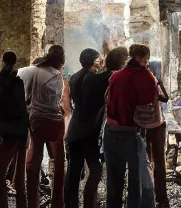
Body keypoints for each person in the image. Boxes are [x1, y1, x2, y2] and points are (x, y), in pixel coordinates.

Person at [104, 44, 158, 208]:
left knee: (114, 181)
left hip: (111, 132)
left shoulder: (116, 76)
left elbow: (106, 99)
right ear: (144, 58)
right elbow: (151, 103)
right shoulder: (147, 77)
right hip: (131, 133)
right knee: (136, 183)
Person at [19, 45, 68, 208]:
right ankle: (58, 202)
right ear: (61, 61)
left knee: (34, 161)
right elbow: (58, 103)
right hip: (55, 122)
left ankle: (32, 202)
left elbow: (23, 94)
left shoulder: (29, 71)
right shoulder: (58, 76)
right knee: (59, 162)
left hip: (36, 121)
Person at [65, 48, 111, 208]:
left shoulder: (75, 76)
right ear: (93, 60)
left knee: (74, 173)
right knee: (95, 170)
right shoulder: (91, 78)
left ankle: (71, 204)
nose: (100, 62)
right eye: (98, 59)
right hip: (86, 131)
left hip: (75, 128)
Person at [0, 52, 28, 208]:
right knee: (20, 177)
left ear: (2, 61)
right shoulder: (19, 82)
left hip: (7, 133)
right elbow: (22, 109)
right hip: (21, 132)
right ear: (15, 62)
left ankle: (2, 205)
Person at [147, 62, 171, 208]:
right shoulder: (153, 81)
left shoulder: (139, 80)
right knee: (159, 161)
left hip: (142, 124)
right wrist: (159, 82)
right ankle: (161, 196)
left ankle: (148, 194)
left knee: (146, 160)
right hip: (156, 124)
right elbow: (165, 98)